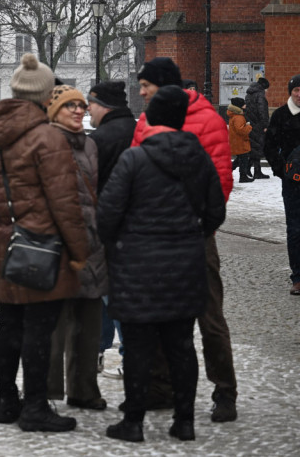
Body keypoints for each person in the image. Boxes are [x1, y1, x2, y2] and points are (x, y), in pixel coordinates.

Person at [99, 85, 226, 443]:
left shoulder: (133, 160)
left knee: (138, 348)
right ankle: (184, 421)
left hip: (137, 269)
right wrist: (190, 237)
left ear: (152, 117)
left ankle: (133, 422)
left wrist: (123, 243)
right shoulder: (199, 158)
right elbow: (215, 212)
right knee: (181, 346)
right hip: (185, 268)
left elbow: (107, 215)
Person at [0, 53, 89, 433]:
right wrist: (79, 252)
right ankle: (36, 407)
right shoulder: (47, 137)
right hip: (40, 244)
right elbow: (65, 203)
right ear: (45, 94)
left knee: (8, 322)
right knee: (39, 328)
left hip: (0, 240)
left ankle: (6, 401)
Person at [131, 56, 237, 422]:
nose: (141, 92)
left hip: (196, 235)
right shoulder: (144, 121)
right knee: (160, 313)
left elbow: (220, 181)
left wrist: (200, 226)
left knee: (210, 317)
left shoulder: (208, 119)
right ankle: (161, 388)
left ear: (164, 86)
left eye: (146, 86)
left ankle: (225, 391)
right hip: (155, 236)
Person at [44, 86, 107, 412]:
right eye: (70, 106)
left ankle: (84, 389)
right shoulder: (45, 143)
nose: (79, 111)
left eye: (81, 106)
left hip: (91, 243)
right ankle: (47, 392)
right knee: (54, 322)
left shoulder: (91, 144)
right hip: (57, 244)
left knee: (89, 320)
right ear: (55, 111)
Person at [86, 80, 135, 378]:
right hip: (132, 227)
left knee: (108, 295)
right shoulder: (137, 130)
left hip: (105, 226)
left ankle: (116, 354)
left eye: (91, 104)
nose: (87, 110)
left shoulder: (99, 139)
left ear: (104, 106)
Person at [263, 73, 300, 296]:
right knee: (295, 229)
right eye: (296, 90)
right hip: (293, 183)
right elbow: (269, 146)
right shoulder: (280, 115)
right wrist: (282, 170)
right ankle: (298, 276)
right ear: (291, 92)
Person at [245, 76, 271, 178]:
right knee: (258, 147)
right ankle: (254, 170)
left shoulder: (249, 94)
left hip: (251, 123)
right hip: (259, 124)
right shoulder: (260, 94)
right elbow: (262, 111)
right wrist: (265, 125)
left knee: (255, 147)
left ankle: (254, 170)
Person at [227, 97, 253, 183]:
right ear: (239, 106)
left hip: (237, 140)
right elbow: (241, 130)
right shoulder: (238, 117)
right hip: (240, 141)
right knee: (244, 159)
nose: (245, 105)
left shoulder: (234, 115)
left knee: (240, 159)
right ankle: (243, 176)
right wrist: (249, 126)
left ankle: (228, 171)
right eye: (243, 104)